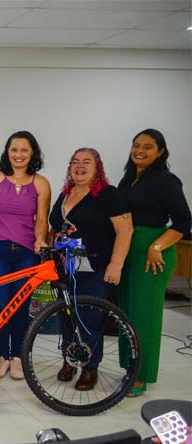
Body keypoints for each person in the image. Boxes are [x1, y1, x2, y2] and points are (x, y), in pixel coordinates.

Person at [49, 148, 132, 391]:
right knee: (65, 315)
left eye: (87, 162)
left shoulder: (109, 195)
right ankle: (69, 359)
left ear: (97, 168)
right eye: (75, 162)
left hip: (95, 268)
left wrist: (115, 264)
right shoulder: (65, 194)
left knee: (91, 319)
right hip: (65, 267)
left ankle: (90, 367)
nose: (80, 166)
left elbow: (125, 230)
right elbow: (56, 227)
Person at [117, 129, 191, 397]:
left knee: (144, 317)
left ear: (160, 152)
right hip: (126, 252)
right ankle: (129, 368)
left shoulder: (165, 181)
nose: (140, 150)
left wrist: (156, 246)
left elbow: (183, 222)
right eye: (136, 145)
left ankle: (141, 376)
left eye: (148, 147)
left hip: (152, 255)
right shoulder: (129, 179)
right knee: (125, 313)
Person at [0, 131, 51, 380]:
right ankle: (2, 356)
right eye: (14, 149)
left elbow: (41, 219)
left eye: (24, 150)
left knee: (21, 306)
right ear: (6, 152)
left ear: (32, 152)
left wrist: (41, 240)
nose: (18, 155)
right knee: (1, 305)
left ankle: (18, 358)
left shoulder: (41, 183)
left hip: (26, 251)